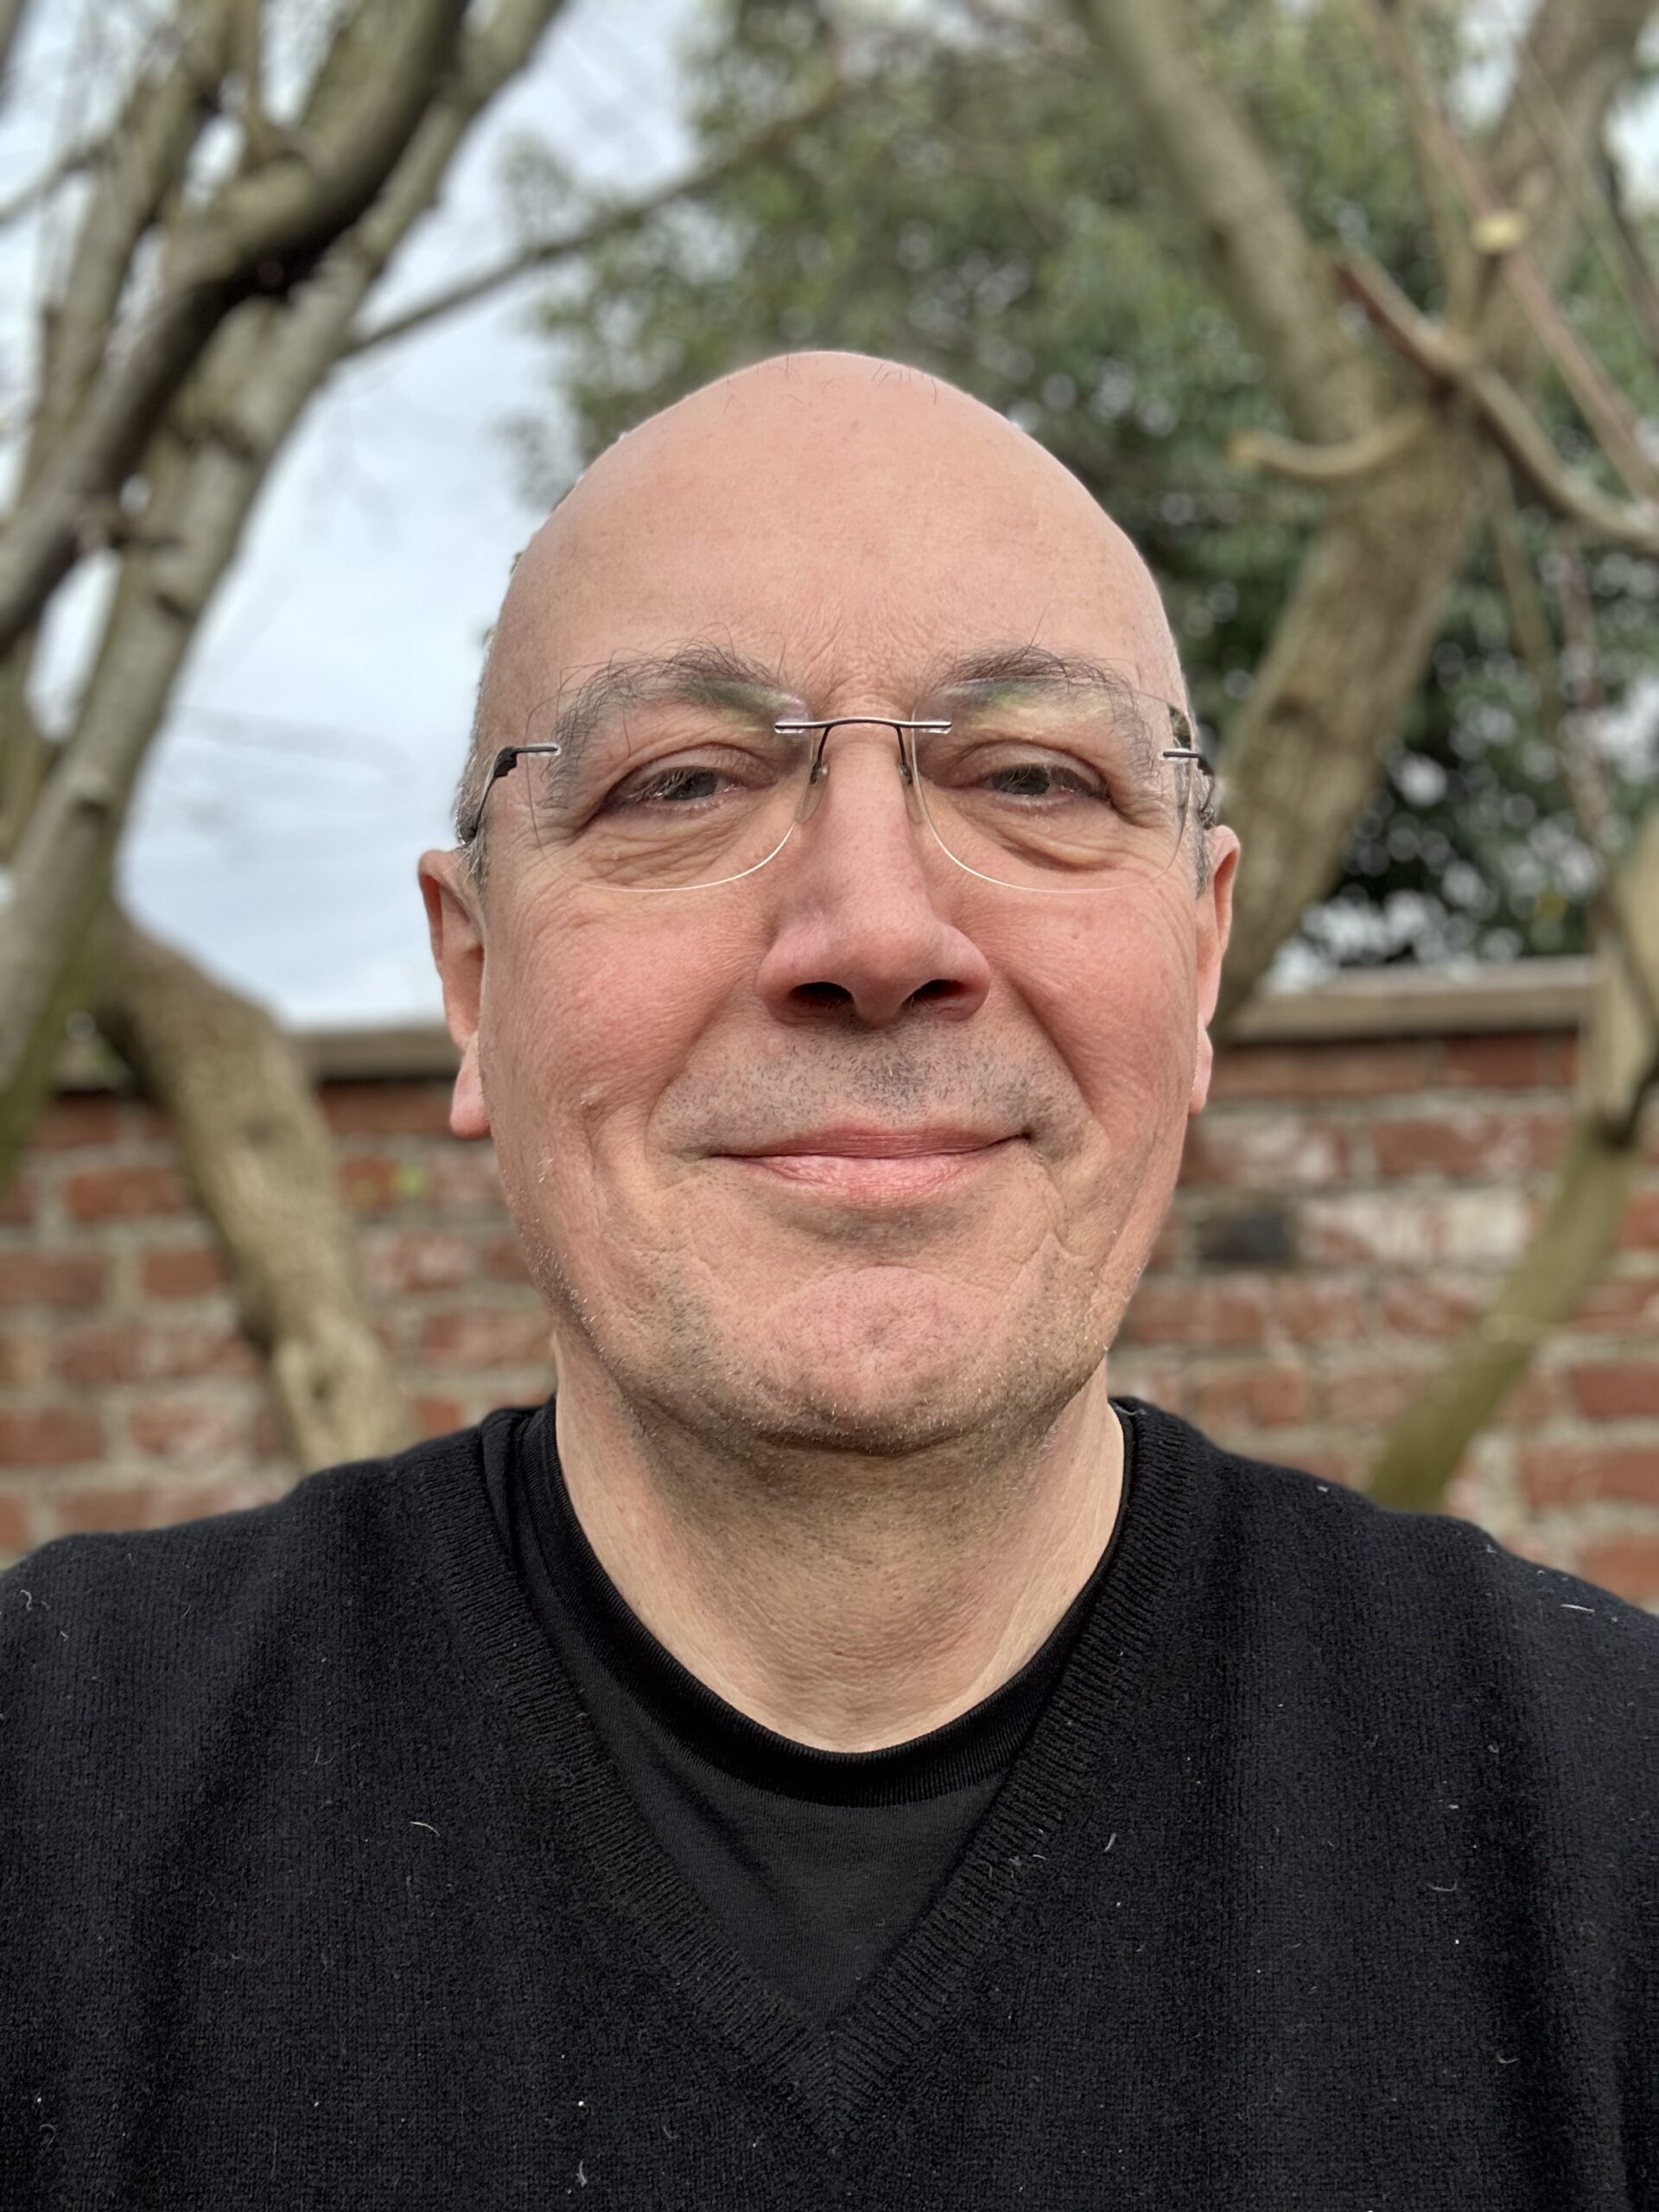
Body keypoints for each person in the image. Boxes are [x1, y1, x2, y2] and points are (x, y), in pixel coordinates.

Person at [2, 353, 1653, 2209]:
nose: (875, 929)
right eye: (683, 782)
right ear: (475, 981)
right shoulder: (51, 1806)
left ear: (1200, 960)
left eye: (1033, 776)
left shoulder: (1607, 1831)